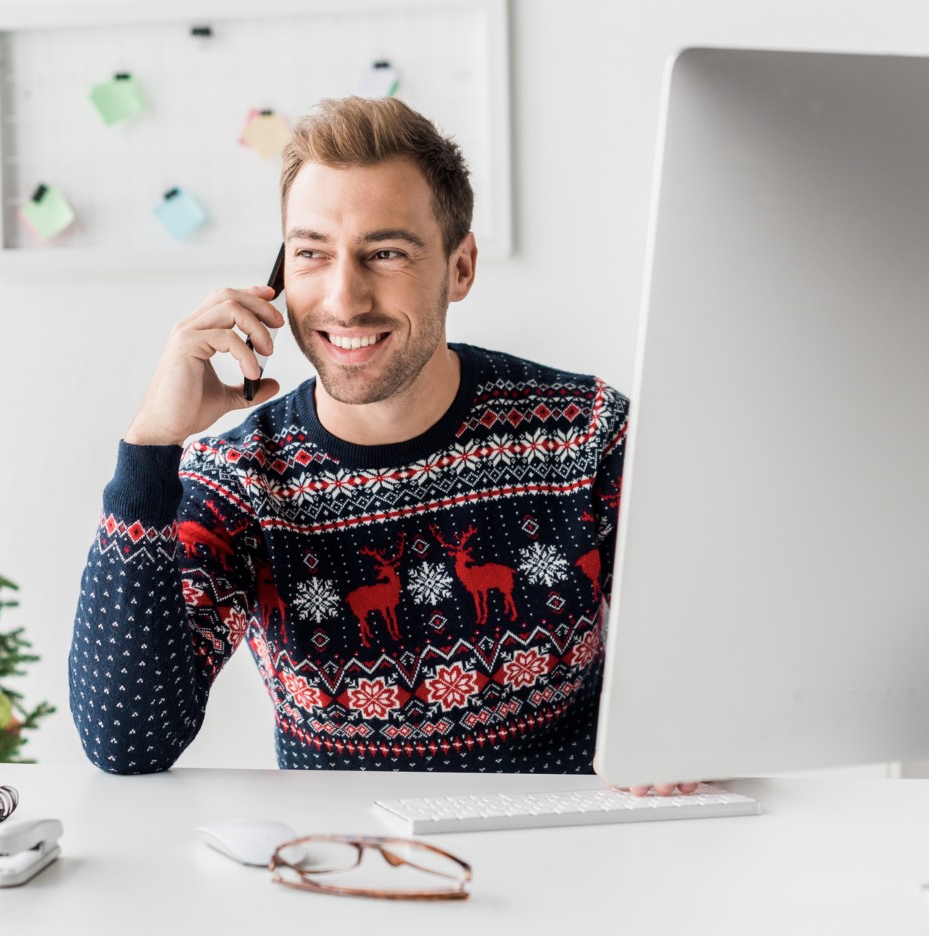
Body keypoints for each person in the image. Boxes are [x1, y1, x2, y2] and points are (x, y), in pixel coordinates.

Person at [69, 95, 689, 795]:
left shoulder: (587, 432)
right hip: (345, 871)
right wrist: (152, 445)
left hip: (569, 856)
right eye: (311, 254)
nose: (344, 298)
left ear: (460, 267)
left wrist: (673, 737)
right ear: (277, 279)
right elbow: (125, 741)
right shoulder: (242, 479)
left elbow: (703, 647)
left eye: (385, 252)